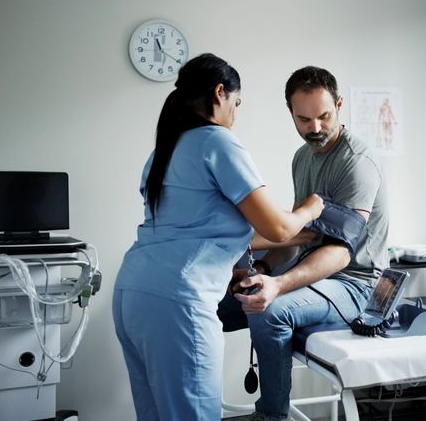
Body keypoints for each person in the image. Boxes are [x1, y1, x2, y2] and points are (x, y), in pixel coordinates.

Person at [112, 53, 324, 421]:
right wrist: (312, 208)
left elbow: (191, 228)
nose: (236, 114)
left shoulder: (162, 151)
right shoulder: (217, 141)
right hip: (178, 301)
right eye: (237, 104)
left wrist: (228, 268)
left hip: (133, 292)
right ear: (220, 92)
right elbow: (276, 227)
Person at [227, 66, 390, 421]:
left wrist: (279, 285)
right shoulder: (302, 158)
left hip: (356, 283)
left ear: (340, 105)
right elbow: (300, 235)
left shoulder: (356, 163)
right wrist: (265, 270)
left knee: (269, 311)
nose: (314, 128)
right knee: (222, 305)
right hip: (318, 274)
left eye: (324, 116)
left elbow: (341, 252)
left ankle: (273, 415)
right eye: (303, 119)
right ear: (290, 113)